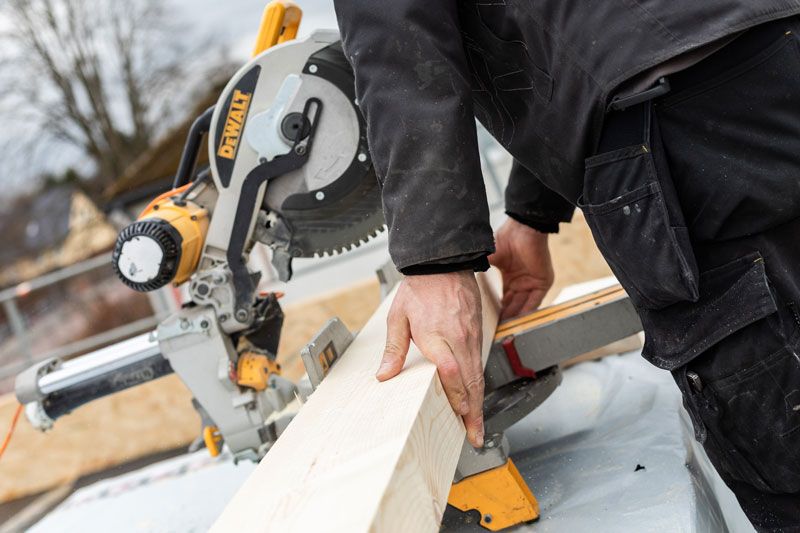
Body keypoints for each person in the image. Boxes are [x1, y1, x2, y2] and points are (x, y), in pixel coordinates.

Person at [332, 2, 800, 530]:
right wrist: (532, 216)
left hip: (675, 114)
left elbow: (400, 47)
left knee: (779, 420)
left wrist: (434, 264)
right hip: (773, 42)